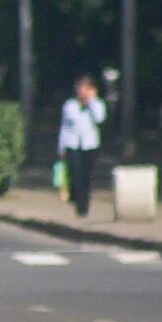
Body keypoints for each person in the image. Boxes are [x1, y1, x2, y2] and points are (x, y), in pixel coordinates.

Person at [57, 74, 106, 217]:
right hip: (72, 144)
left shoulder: (97, 104)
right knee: (75, 175)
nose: (82, 92)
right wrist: (61, 147)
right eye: (80, 88)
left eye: (86, 89)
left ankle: (85, 204)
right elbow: (65, 126)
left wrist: (91, 102)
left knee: (87, 176)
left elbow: (100, 118)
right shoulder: (70, 105)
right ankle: (80, 206)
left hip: (90, 145)